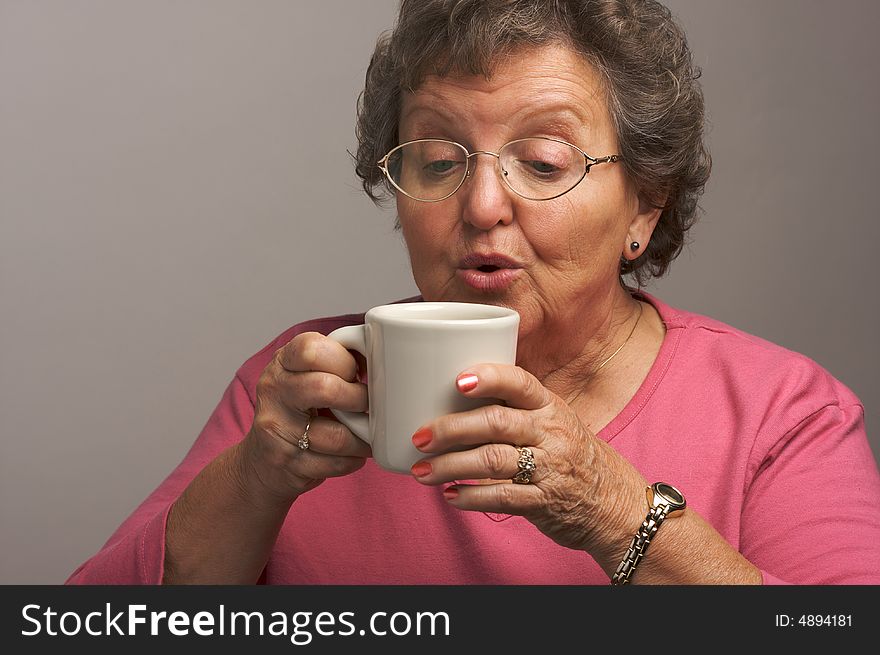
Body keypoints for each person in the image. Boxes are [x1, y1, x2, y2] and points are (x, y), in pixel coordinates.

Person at [67, 0, 880, 585]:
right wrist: (254, 477)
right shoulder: (299, 395)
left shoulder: (783, 412)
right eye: (439, 159)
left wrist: (615, 509)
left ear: (644, 203)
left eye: (545, 161)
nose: (483, 205)